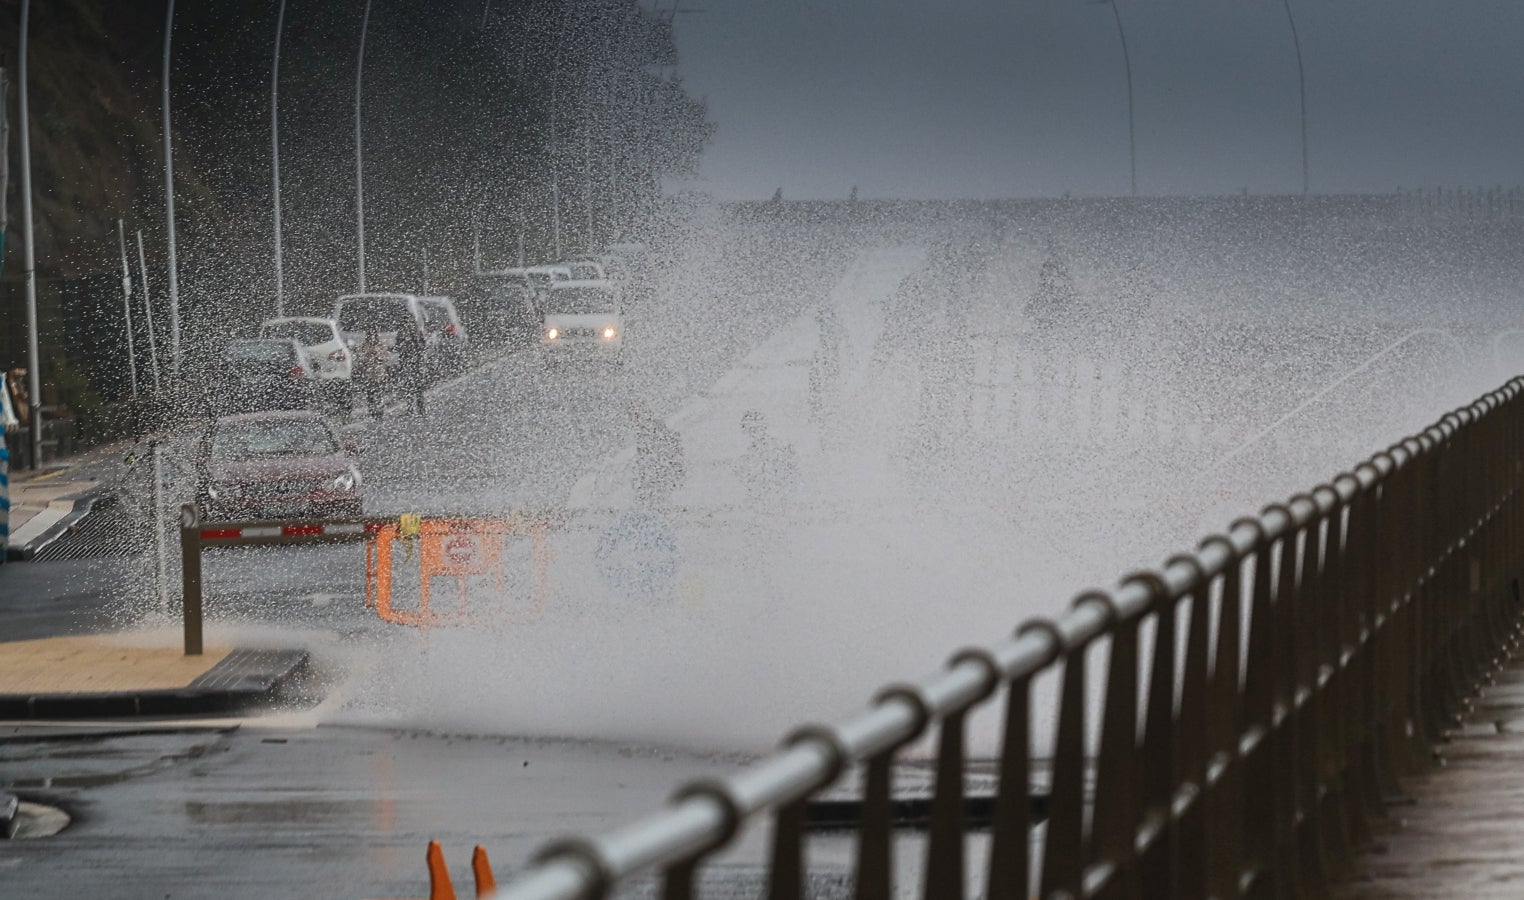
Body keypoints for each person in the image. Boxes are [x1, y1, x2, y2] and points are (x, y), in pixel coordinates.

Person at [736, 409, 797, 509]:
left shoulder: (773, 446)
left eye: (755, 429)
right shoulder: (752, 449)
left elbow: (783, 471)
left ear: (763, 427)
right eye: (750, 429)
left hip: (774, 493)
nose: (753, 433)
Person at [632, 402, 684, 508]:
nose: (634, 419)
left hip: (660, 468)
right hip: (656, 470)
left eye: (637, 414)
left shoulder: (654, 428)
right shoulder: (645, 430)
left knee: (654, 493)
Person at [393, 316, 427, 415]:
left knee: (413, 386)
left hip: (411, 361)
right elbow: (422, 345)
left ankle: (415, 408)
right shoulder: (408, 333)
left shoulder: (413, 333)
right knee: (414, 386)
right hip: (411, 361)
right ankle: (416, 408)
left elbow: (421, 345)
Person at [356, 330, 389, 419]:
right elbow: (361, 358)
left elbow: (385, 357)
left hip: (379, 373)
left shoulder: (381, 345)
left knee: (379, 393)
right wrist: (368, 356)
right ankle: (372, 411)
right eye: (370, 336)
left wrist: (377, 356)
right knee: (370, 394)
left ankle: (379, 411)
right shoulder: (365, 346)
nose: (372, 338)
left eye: (373, 336)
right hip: (369, 374)